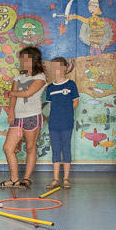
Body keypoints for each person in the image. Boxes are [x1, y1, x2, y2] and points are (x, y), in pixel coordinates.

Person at [1, 46, 46, 189]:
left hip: (32, 116)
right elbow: (13, 97)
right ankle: (14, 179)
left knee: (30, 148)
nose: (22, 61)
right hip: (18, 117)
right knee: (8, 148)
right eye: (21, 59)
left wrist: (11, 93)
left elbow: (28, 93)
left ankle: (26, 179)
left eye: (26, 59)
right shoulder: (18, 77)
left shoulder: (40, 77)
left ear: (34, 60)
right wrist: (11, 112)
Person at [45, 56, 79, 189]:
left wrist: (66, 113)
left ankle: (65, 178)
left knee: (66, 148)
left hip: (66, 123)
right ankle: (55, 179)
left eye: (59, 67)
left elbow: (75, 102)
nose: (56, 70)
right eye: (54, 67)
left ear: (65, 68)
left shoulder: (71, 85)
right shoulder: (50, 88)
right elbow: (51, 105)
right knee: (55, 150)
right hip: (53, 123)